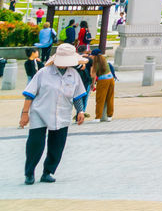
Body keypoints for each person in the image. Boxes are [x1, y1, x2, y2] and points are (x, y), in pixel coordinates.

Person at [20, 43, 87, 184]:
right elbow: (29, 94)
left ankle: (47, 172)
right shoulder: (43, 73)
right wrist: (24, 114)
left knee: (57, 145)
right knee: (35, 145)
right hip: (40, 112)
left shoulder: (73, 74)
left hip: (62, 113)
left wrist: (80, 111)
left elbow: (77, 96)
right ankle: (29, 173)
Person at [91, 50, 116, 122]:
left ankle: (98, 117)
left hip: (103, 81)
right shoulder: (104, 60)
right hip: (111, 79)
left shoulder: (95, 63)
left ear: (95, 56)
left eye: (92, 55)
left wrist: (93, 84)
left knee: (100, 99)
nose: (91, 56)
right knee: (110, 98)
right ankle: (109, 116)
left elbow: (93, 75)